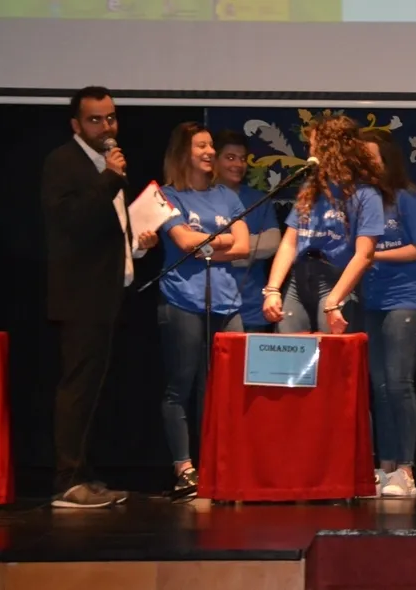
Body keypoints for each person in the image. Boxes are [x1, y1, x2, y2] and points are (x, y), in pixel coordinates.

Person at [41, 86, 159, 508]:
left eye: (110, 117)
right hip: (80, 295)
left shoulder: (108, 166)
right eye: (95, 119)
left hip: (108, 291)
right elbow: (69, 221)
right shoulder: (64, 162)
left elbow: (105, 230)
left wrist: (138, 245)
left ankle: (83, 473)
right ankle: (66, 481)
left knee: (93, 389)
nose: (106, 127)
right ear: (76, 124)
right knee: (77, 387)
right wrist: (109, 177)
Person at [157, 122, 250, 494]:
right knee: (182, 385)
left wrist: (207, 245)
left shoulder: (227, 196)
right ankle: (184, 467)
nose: (210, 152)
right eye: (201, 146)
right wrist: (220, 240)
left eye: (211, 145)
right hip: (182, 299)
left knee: (226, 388)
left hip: (227, 303)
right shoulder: (166, 196)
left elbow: (244, 247)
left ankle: (220, 462)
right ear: (183, 152)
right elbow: (183, 242)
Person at [357, 129, 416, 497]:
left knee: (399, 382)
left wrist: (372, 255)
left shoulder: (406, 198)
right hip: (372, 302)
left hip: (408, 299)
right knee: (380, 386)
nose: (365, 165)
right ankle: (385, 466)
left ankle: (405, 469)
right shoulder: (360, 200)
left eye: (371, 158)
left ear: (387, 160)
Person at [261, 114, 385, 337]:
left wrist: (334, 300)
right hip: (299, 279)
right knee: (289, 350)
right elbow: (290, 242)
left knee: (330, 353)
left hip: (335, 280)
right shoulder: (311, 188)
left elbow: (364, 255)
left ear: (332, 149)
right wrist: (272, 289)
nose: (310, 153)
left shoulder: (366, 194)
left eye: (314, 146)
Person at [212, 129, 281, 332]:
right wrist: (246, 250)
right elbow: (193, 248)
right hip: (211, 305)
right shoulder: (201, 197)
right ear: (214, 160)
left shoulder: (258, 199)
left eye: (242, 159)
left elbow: (272, 243)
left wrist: (220, 253)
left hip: (253, 308)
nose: (238, 164)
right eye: (230, 157)